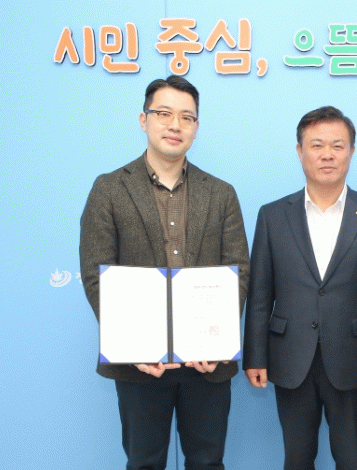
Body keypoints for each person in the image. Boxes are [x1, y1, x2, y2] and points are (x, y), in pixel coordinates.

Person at [80, 75, 250, 470]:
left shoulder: (221, 193)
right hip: (139, 365)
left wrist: (217, 341)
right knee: (144, 463)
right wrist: (132, 344)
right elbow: (96, 273)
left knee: (207, 462)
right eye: (164, 114)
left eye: (186, 117)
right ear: (144, 120)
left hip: (206, 364)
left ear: (196, 127)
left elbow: (239, 270)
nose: (175, 125)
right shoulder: (109, 189)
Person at [243, 106, 357, 470]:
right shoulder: (273, 215)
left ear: (351, 151)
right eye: (317, 145)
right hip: (290, 357)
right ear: (300, 151)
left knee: (352, 459)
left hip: (354, 359)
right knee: (297, 459)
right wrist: (255, 355)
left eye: (337, 145)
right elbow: (260, 294)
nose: (327, 154)